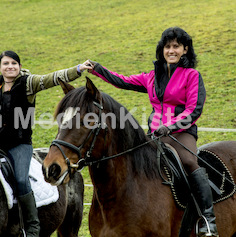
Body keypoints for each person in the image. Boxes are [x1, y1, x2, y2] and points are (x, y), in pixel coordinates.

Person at [83, 27, 218, 237]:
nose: (171, 50)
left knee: (190, 162)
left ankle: (207, 220)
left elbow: (194, 110)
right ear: (162, 49)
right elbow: (123, 81)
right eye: (167, 46)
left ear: (185, 49)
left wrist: (172, 126)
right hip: (155, 134)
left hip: (181, 133)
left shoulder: (192, 75)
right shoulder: (152, 76)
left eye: (176, 46)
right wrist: (98, 69)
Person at [0, 50, 92, 237]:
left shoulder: (28, 83)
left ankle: (32, 226)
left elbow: (53, 78)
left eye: (14, 63)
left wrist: (78, 69)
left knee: (22, 180)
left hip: (19, 144)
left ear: (20, 67)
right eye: (6, 64)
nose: (10, 67)